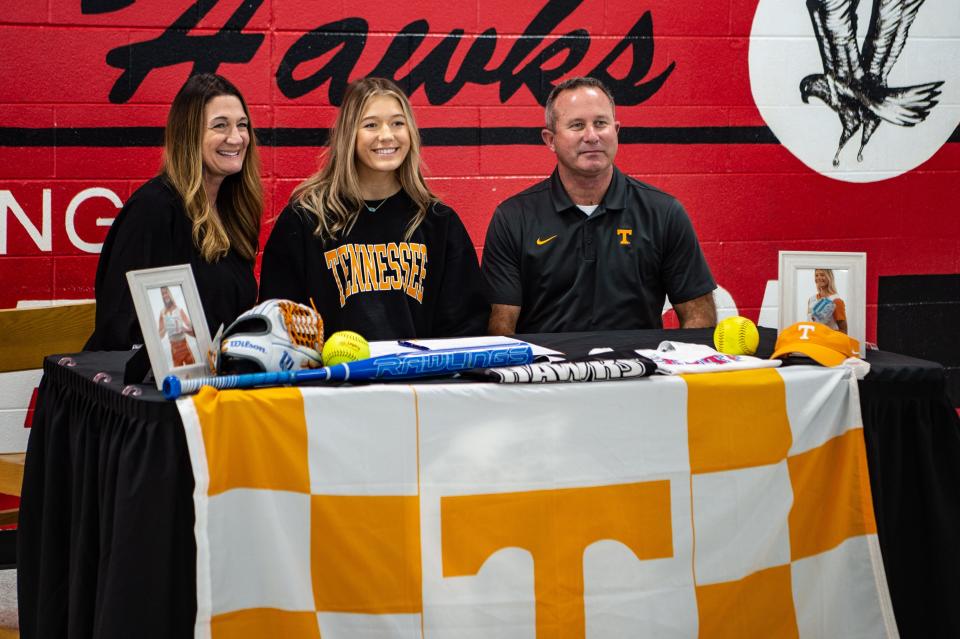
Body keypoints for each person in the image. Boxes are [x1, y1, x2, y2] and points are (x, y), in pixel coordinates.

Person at [481, 77, 717, 334]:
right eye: (577, 125)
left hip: (641, 371)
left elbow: (699, 318)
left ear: (616, 131)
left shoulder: (664, 213)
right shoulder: (513, 218)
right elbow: (500, 331)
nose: (591, 136)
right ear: (550, 139)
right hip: (546, 371)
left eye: (601, 123)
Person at [259, 77, 488, 340]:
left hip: (417, 379)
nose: (387, 135)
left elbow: (465, 324)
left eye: (397, 123)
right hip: (332, 378)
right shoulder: (307, 218)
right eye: (371, 125)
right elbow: (280, 319)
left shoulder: (437, 221)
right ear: (349, 135)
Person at [85, 73, 262, 350]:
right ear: (188, 135)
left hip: (217, 382)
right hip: (157, 387)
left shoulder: (233, 213)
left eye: (242, 125)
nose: (236, 138)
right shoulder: (153, 210)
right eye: (220, 126)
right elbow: (122, 329)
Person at [156, 286, 197, 367]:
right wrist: (165, 327)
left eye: (166, 292)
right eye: (163, 294)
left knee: (193, 368)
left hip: (184, 346)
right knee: (178, 374)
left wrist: (184, 329)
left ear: (170, 293)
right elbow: (159, 336)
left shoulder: (179, 309)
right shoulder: (162, 313)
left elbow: (193, 332)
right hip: (174, 348)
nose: (165, 295)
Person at [807, 268, 847, 333]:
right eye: (816, 275)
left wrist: (827, 334)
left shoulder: (836, 301)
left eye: (822, 275)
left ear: (829, 277)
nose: (819, 278)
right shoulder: (811, 299)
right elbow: (809, 321)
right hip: (812, 339)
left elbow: (844, 331)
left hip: (827, 341)